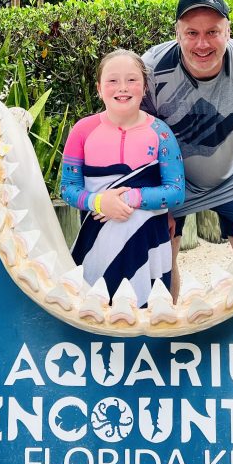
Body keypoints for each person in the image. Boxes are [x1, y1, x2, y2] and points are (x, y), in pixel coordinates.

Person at [142, 0, 233, 299]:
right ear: (177, 33)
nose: (202, 44)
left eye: (212, 32)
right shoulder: (150, 69)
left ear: (228, 32)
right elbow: (141, 146)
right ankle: (169, 323)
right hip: (172, 182)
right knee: (159, 267)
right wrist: (160, 206)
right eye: (192, 33)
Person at [60, 49, 185, 307]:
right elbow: (68, 188)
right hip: (98, 245)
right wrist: (99, 202)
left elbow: (175, 191)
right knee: (97, 313)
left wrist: (130, 198)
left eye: (132, 80)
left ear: (144, 87)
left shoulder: (161, 133)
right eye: (113, 80)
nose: (123, 87)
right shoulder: (82, 131)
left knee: (150, 313)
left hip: (148, 244)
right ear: (99, 88)